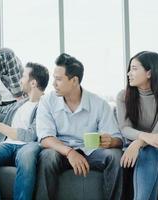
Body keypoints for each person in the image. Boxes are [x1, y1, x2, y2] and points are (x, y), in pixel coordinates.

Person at [36, 53, 123, 200]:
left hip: (91, 152)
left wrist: (111, 141)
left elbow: (118, 140)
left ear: (74, 80)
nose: (54, 84)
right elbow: (45, 138)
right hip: (61, 152)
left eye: (58, 79)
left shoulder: (99, 103)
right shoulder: (47, 101)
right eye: (54, 79)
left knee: (114, 156)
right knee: (47, 156)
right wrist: (70, 153)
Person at [0, 62, 49, 200]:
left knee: (26, 158)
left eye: (24, 76)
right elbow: (2, 109)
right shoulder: (21, 103)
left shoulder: (46, 106)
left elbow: (30, 136)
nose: (20, 79)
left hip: (28, 146)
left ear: (33, 83)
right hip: (7, 145)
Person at [117, 51, 158, 200]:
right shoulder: (123, 96)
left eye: (134, 68)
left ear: (149, 72)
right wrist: (141, 139)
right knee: (152, 167)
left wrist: (137, 142)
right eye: (129, 69)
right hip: (131, 152)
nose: (129, 73)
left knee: (149, 152)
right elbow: (124, 128)